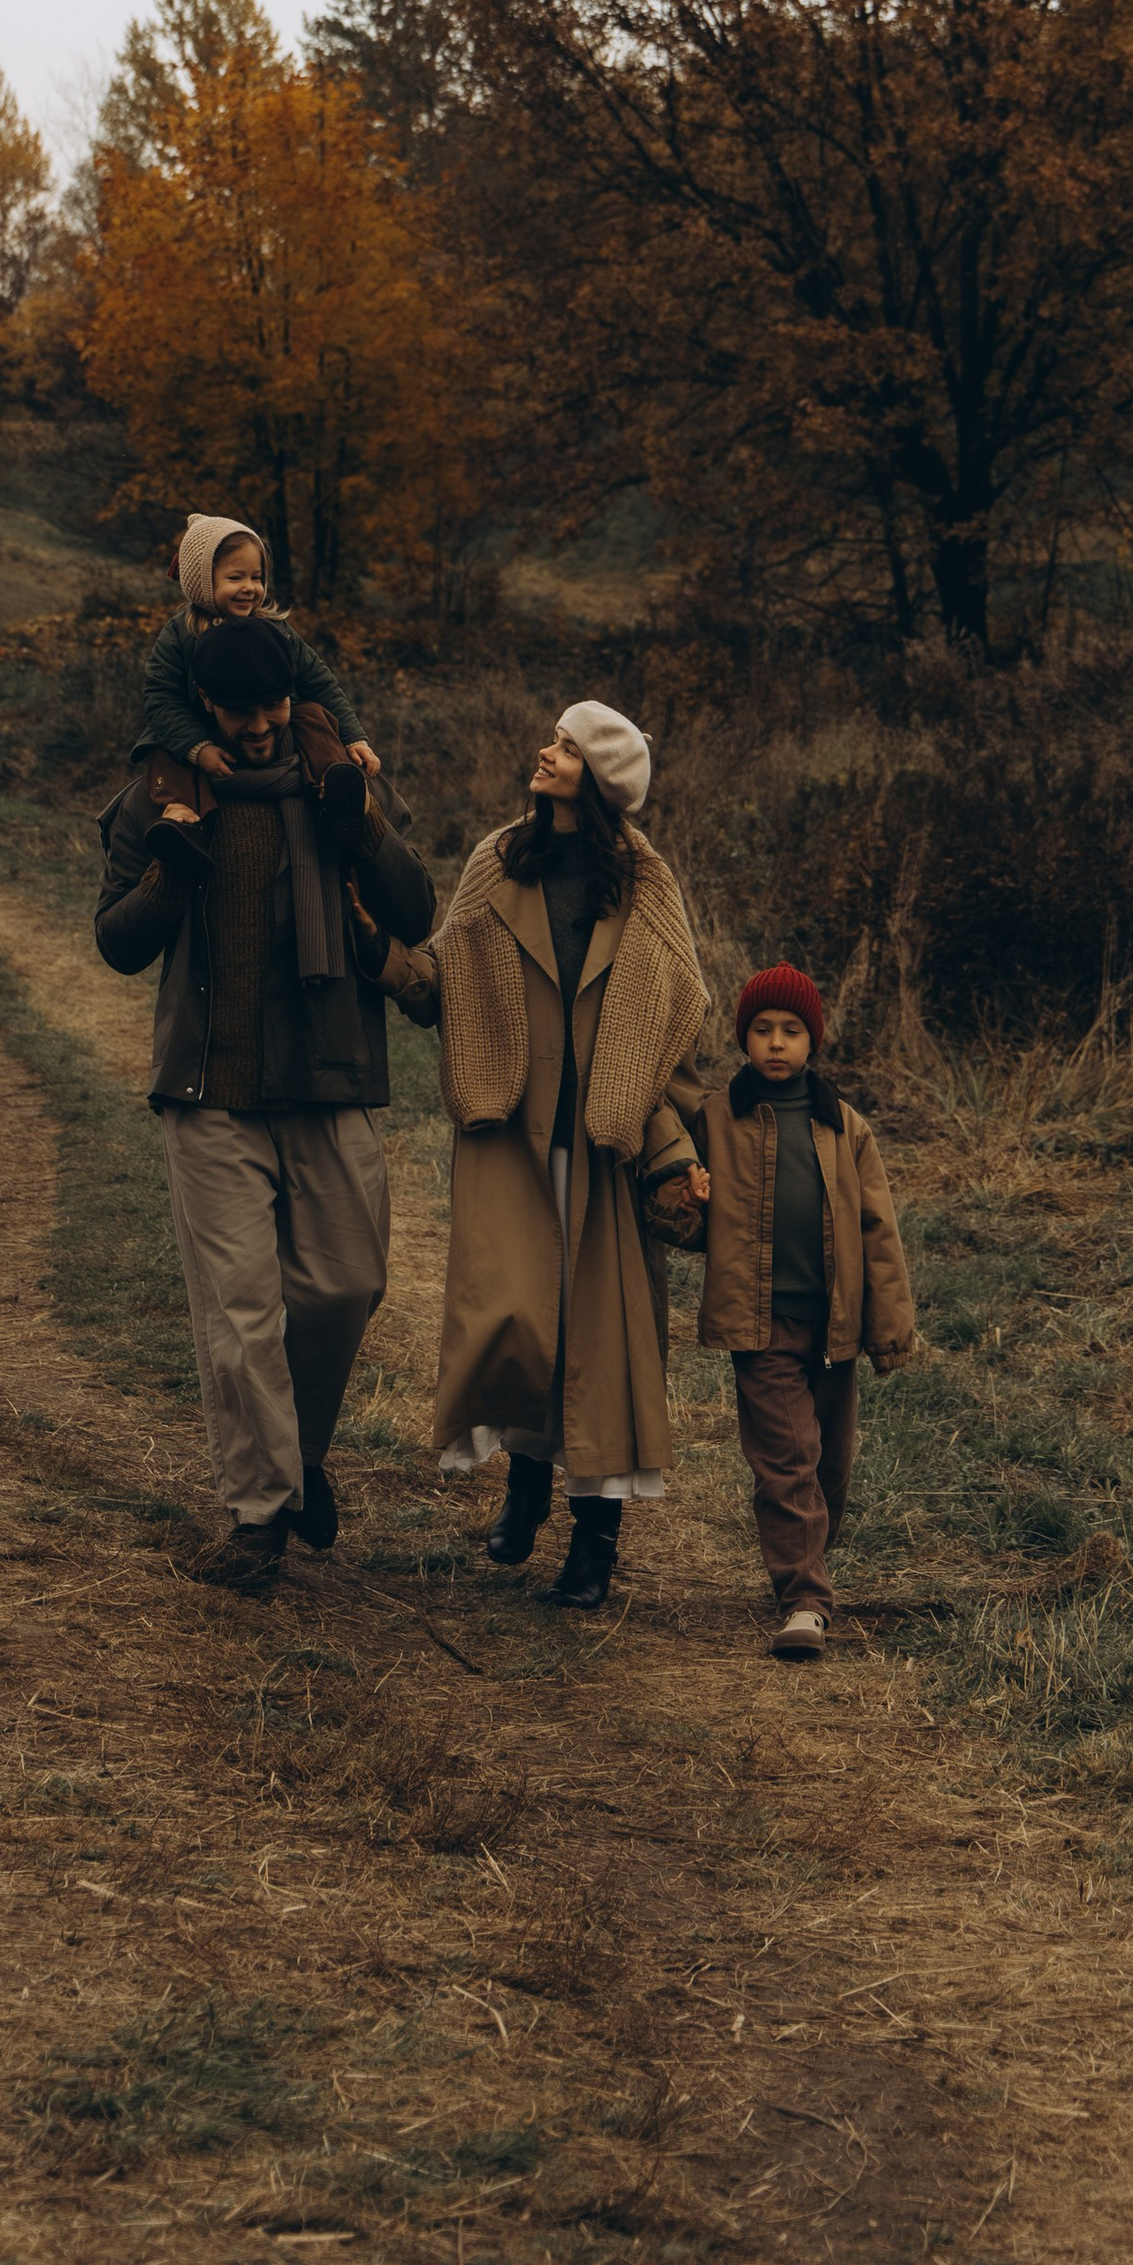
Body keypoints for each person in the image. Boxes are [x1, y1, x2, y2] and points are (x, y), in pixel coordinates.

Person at [93, 612, 435, 1593]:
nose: (261, 725)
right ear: (206, 707)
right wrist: (170, 871)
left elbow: (416, 911)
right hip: (210, 1094)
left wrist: (361, 824)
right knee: (240, 1322)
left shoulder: (341, 781)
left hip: (327, 1081)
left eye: (277, 705)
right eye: (241, 711)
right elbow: (117, 942)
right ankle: (256, 1524)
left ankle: (296, 1464)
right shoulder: (162, 795)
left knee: (344, 1285)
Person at [363, 701, 713, 1612]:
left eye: (564, 746)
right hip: (509, 1132)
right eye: (553, 740)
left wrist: (661, 1137)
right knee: (518, 1322)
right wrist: (382, 958)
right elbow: (445, 976)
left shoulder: (645, 882)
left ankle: (594, 1546)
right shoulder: (497, 858)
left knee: (605, 1349)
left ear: (597, 776)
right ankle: (523, 1488)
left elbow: (679, 1009)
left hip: (607, 1143)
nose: (544, 753)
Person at [701, 963, 917, 1660]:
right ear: (743, 1038)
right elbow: (672, 1204)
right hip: (758, 1323)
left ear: (812, 1042)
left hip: (835, 1328)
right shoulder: (717, 1117)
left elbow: (877, 1231)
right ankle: (805, 1602)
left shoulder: (841, 1125)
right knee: (787, 1460)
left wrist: (889, 1329)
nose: (775, 1043)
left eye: (791, 1031)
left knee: (830, 1468)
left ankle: (806, 1561)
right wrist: (685, 1192)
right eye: (761, 1029)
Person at [134, 512, 381, 785]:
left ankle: (336, 782)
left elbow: (319, 681)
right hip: (203, 725)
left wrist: (353, 737)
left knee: (313, 718)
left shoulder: (275, 629)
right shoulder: (180, 634)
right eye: (235, 578)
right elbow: (160, 694)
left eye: (257, 577)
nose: (249, 588)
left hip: (275, 726)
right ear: (202, 581)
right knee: (161, 744)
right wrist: (197, 746)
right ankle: (176, 814)